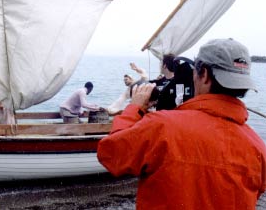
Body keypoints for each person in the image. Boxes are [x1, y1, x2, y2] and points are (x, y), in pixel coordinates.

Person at [97, 38, 266, 209]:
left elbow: (111, 155)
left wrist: (135, 108)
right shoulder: (259, 150)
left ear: (204, 75)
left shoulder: (161, 127)